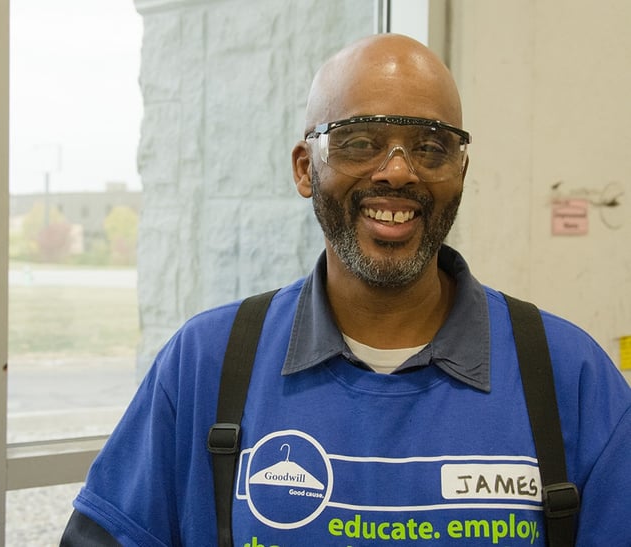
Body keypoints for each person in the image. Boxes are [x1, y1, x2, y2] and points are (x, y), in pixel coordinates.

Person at [61, 34, 631, 546]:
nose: (399, 172)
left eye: (431, 147)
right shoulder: (205, 364)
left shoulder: (568, 375)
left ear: (460, 171)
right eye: (360, 141)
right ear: (306, 168)